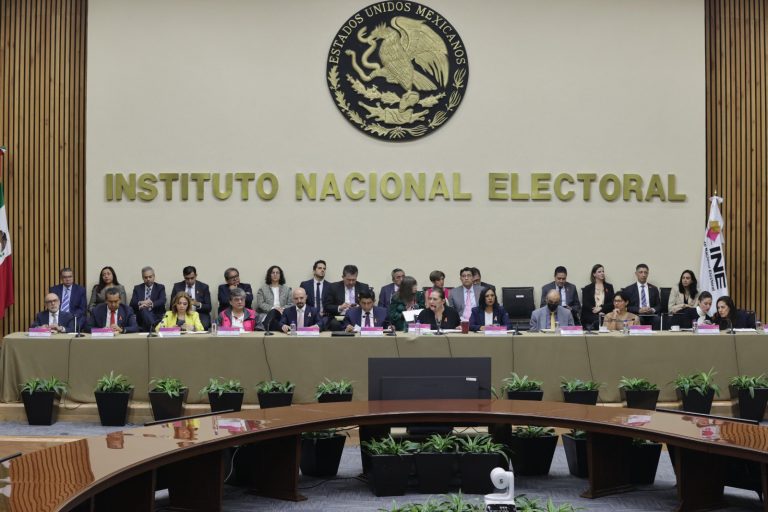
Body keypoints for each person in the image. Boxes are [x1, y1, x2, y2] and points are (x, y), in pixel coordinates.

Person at [323, 264, 371, 330]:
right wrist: (340, 307)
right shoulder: (333, 287)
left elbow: (369, 304)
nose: (351, 282)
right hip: (341, 317)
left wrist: (360, 307)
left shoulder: (363, 287)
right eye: (348, 280)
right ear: (343, 277)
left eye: (353, 280)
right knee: (334, 324)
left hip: (358, 316)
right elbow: (327, 306)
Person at [129, 266, 167, 332]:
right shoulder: (137, 288)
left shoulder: (160, 287)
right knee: (144, 310)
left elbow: (162, 301)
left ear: (154, 276)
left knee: (145, 311)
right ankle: (153, 327)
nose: (148, 279)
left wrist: (150, 304)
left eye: (150, 277)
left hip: (156, 315)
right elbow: (132, 303)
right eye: (146, 277)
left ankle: (151, 327)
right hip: (141, 317)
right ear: (142, 278)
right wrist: (141, 303)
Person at [255, 265, 293, 331]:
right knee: (273, 313)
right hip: (267, 315)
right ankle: (281, 327)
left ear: (280, 275)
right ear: (269, 275)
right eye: (273, 273)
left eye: (277, 273)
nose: (275, 274)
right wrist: (274, 308)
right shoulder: (262, 289)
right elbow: (261, 304)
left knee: (276, 319)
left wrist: (282, 309)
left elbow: (291, 304)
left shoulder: (287, 289)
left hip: (282, 314)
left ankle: (267, 327)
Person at [581, 264, 615, 330]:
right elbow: (585, 303)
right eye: (599, 272)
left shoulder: (609, 287)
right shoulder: (587, 288)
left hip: (605, 313)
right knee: (598, 320)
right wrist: (595, 309)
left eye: (603, 271)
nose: (602, 273)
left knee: (605, 319)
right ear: (594, 274)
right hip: (591, 314)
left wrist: (601, 308)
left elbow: (612, 303)